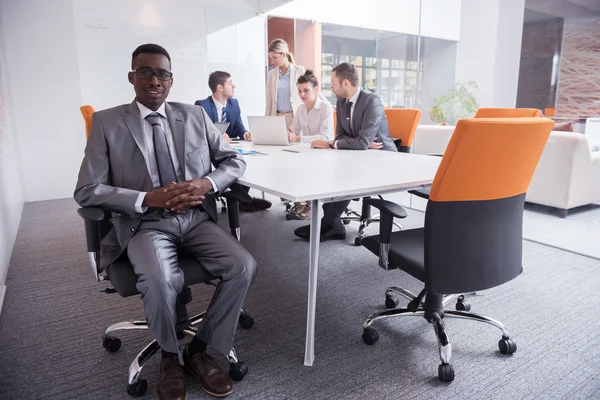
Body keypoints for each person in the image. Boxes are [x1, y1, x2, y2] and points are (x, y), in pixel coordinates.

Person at [74, 44, 256, 400]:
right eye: (146, 72)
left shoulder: (195, 116)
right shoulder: (108, 123)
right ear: (132, 77)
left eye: (163, 74)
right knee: (160, 280)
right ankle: (170, 358)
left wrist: (207, 183)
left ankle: (199, 350)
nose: (155, 80)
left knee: (244, 266)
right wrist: (145, 199)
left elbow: (233, 161)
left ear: (172, 80)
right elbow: (87, 190)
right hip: (144, 224)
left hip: (195, 219)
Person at [294, 62, 396, 241]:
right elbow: (341, 135)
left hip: (382, 158)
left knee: (346, 173)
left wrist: (347, 143)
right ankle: (333, 224)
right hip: (357, 154)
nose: (331, 87)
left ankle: (328, 223)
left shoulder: (372, 101)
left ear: (345, 83)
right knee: (328, 168)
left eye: (333, 82)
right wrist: (352, 142)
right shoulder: (341, 102)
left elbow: (361, 142)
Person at [196, 71, 272, 212]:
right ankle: (244, 200)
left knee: (245, 159)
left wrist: (245, 133)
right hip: (211, 150)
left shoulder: (233, 104)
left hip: (230, 147)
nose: (234, 86)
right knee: (231, 162)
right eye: (230, 83)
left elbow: (238, 127)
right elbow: (199, 133)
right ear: (220, 87)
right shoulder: (202, 106)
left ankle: (242, 197)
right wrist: (217, 137)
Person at [286, 70, 335, 219]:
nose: (302, 95)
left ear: (316, 89)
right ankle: (301, 201)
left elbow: (326, 137)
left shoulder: (325, 107)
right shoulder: (300, 108)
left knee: (304, 166)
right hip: (307, 151)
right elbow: (294, 130)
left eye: (306, 90)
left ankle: (309, 204)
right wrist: (287, 135)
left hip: (323, 152)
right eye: (299, 91)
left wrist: (297, 139)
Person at [265, 38, 306, 129]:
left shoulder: (300, 71)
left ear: (283, 54)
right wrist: (266, 123)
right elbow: (269, 101)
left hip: (294, 117)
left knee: (295, 143)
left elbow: (312, 91)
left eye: (274, 57)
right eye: (271, 58)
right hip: (276, 119)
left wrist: (327, 104)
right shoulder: (271, 74)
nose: (272, 61)